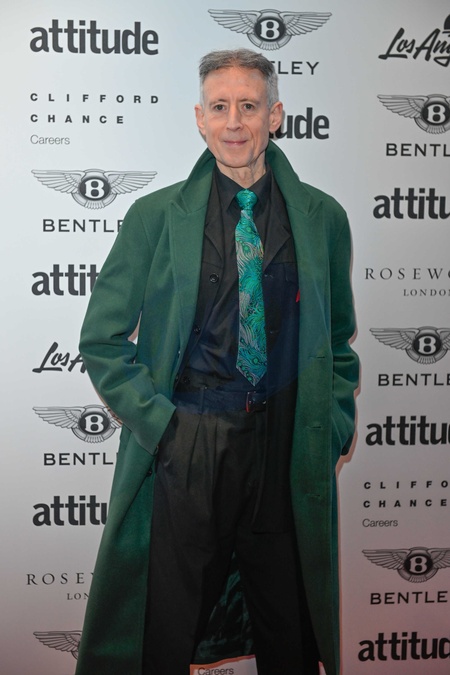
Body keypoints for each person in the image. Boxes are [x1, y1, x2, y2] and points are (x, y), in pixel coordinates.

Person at [76, 48, 359, 675]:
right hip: (190, 442)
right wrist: (163, 427)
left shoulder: (324, 218)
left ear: (275, 116)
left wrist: (332, 426)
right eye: (220, 107)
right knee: (164, 633)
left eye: (249, 106)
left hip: (286, 446)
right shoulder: (155, 217)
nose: (235, 122)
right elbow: (101, 339)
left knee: (291, 633)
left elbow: (340, 340)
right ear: (199, 118)